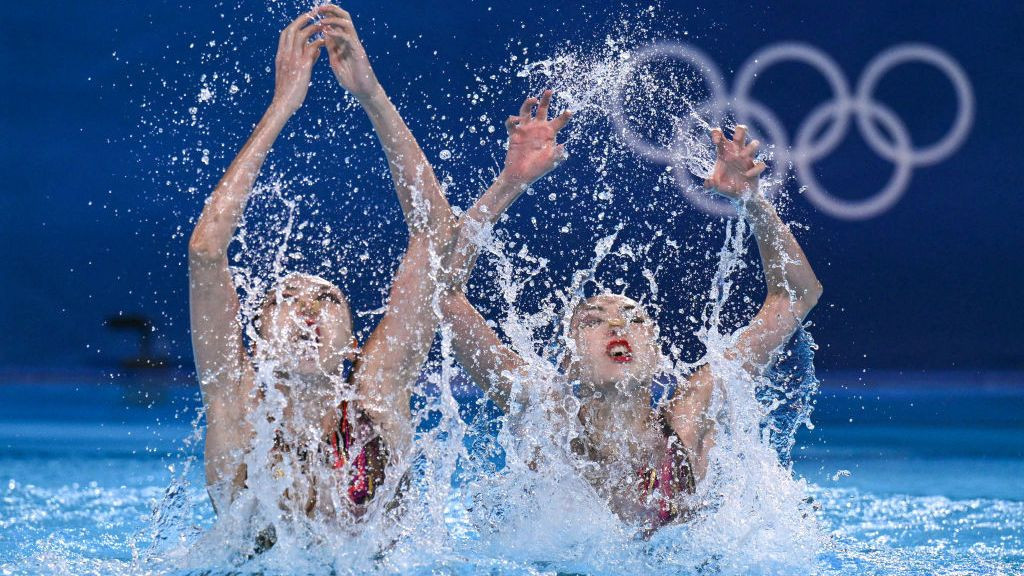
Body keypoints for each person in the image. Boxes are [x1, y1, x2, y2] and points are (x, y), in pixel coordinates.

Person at [440, 121, 823, 530]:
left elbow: (797, 296)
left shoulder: (689, 418)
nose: (617, 324)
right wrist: (509, 183)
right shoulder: (547, 418)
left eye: (634, 317)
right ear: (568, 361)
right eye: (593, 320)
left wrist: (754, 203)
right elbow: (443, 295)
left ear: (657, 355)